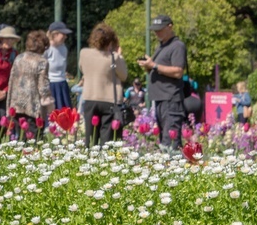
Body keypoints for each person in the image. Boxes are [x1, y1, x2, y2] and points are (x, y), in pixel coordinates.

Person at [138, 15, 188, 149]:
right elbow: (159, 70)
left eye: (159, 29)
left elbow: (178, 72)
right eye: (155, 30)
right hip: (160, 99)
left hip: (171, 100)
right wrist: (149, 67)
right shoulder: (160, 47)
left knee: (171, 142)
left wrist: (154, 65)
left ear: (170, 27)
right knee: (164, 142)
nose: (156, 33)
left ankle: (175, 167)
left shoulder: (177, 46)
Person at [79, 22, 127, 146]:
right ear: (111, 41)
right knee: (107, 140)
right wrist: (119, 56)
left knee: (91, 137)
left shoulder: (84, 53)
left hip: (90, 98)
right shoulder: (114, 57)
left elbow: (82, 68)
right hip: (109, 100)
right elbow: (123, 75)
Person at [7, 30, 54, 136]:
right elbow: (43, 87)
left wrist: (9, 105)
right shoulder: (42, 61)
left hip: (16, 105)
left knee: (20, 139)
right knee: (34, 140)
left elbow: (11, 82)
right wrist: (51, 107)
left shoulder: (19, 58)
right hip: (33, 107)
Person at [45, 21, 73, 110]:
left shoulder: (63, 48)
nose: (65, 36)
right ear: (55, 34)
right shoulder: (46, 49)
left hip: (62, 84)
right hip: (50, 85)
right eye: (63, 34)